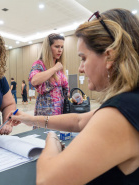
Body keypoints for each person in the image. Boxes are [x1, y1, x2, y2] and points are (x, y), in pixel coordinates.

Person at [9, 9, 139, 184]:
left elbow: (48, 180)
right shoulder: (130, 101)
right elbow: (78, 121)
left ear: (109, 56)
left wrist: (52, 139)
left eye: (83, 58)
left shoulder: (121, 111)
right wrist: (30, 119)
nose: (80, 68)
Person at [29, 33, 69, 116]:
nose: (60, 50)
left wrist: (75, 97)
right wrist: (54, 69)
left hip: (61, 108)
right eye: (57, 46)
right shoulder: (39, 64)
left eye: (62, 47)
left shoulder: (60, 66)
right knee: (47, 129)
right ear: (48, 48)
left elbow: (65, 90)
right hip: (46, 110)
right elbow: (34, 80)